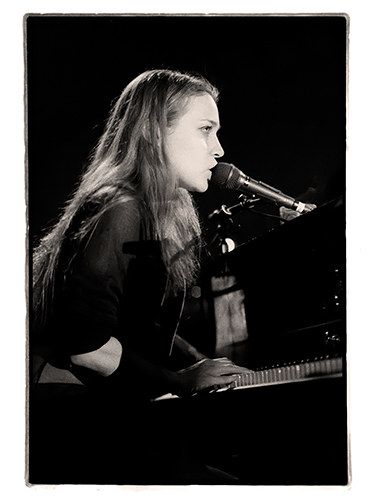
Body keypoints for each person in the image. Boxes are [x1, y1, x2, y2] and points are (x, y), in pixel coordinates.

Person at [30, 69, 252, 485]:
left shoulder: (150, 210)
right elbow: (87, 348)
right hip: (64, 415)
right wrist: (179, 380)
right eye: (205, 129)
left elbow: (140, 323)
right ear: (154, 133)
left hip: (101, 407)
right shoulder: (120, 209)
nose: (219, 149)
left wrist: (199, 361)